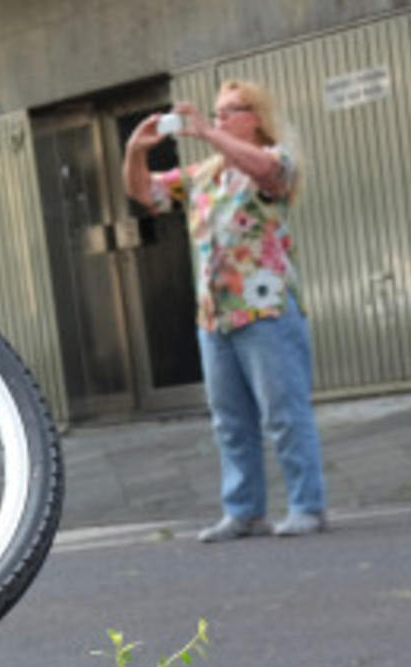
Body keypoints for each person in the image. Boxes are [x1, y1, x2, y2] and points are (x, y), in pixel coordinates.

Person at [124, 81, 328, 541]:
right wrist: (135, 150)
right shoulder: (203, 176)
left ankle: (307, 506)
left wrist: (205, 132)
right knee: (229, 420)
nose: (216, 121)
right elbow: (145, 194)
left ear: (254, 116)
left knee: (284, 413)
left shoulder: (276, 160)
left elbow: (267, 172)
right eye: (214, 114)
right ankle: (243, 511)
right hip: (214, 317)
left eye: (227, 112)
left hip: (267, 309)